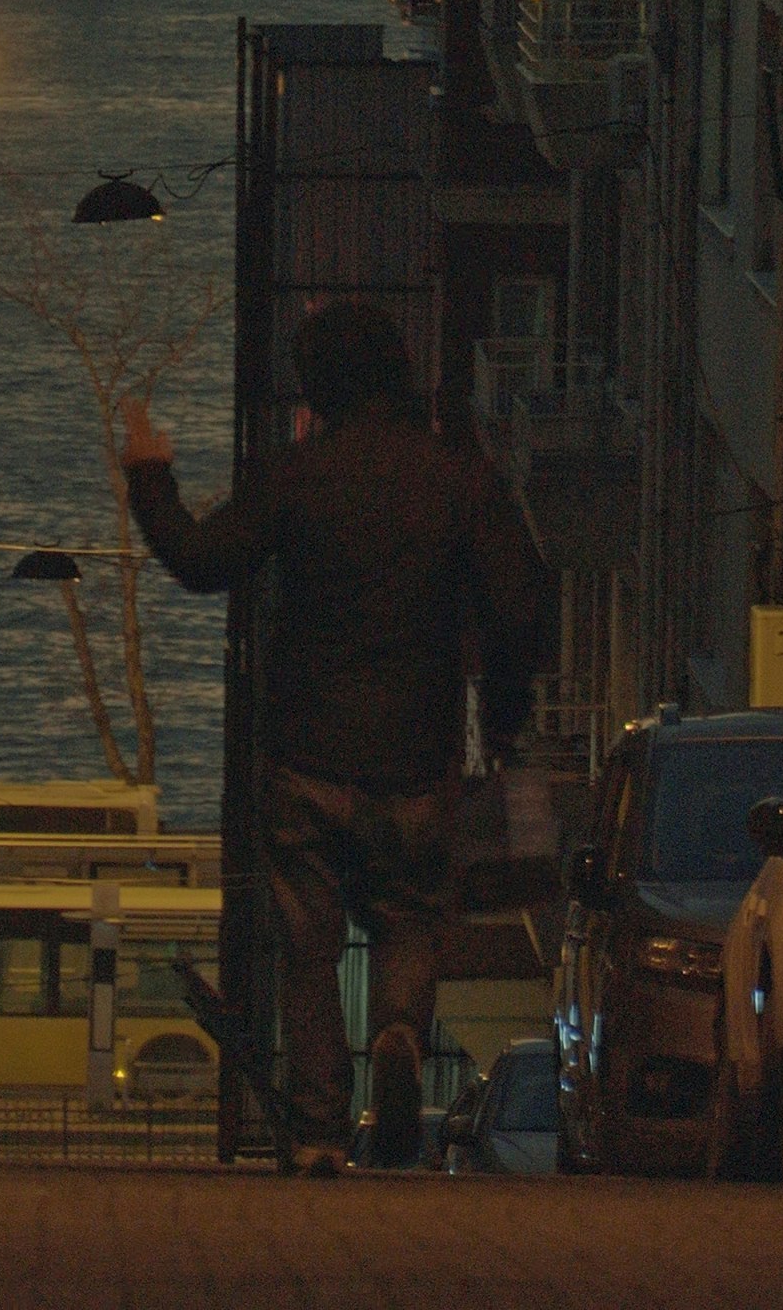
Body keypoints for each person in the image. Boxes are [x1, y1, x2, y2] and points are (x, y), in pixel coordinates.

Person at [123, 295, 545, 1173]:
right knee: (409, 915)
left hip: (308, 751)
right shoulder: (457, 480)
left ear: (314, 386)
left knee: (308, 945)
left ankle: (317, 1129)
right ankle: (396, 1030)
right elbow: (517, 609)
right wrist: (498, 722)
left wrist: (150, 480)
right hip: (417, 755)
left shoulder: (295, 476)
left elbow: (202, 563)